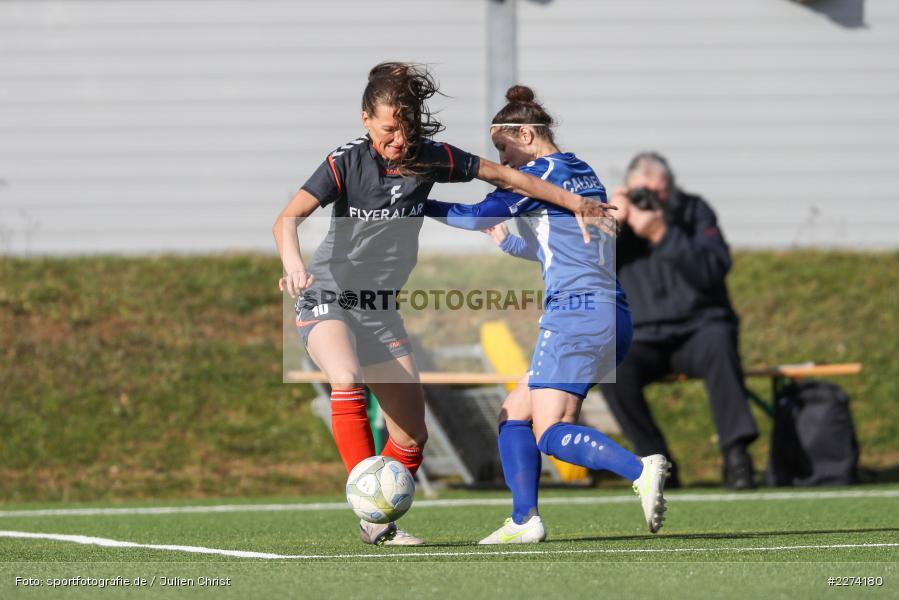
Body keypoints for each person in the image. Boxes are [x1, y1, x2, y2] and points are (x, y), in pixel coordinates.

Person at [271, 63, 615, 547]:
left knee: (412, 437)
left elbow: (509, 177)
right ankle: (367, 500)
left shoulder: (430, 158)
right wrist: (294, 265)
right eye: (388, 130)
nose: (399, 140)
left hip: (378, 308)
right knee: (345, 378)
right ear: (366, 120)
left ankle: (378, 523)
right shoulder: (344, 161)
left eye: (406, 129)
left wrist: (576, 204)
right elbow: (287, 219)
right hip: (328, 293)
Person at [425, 85, 671, 544]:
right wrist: (512, 243)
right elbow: (562, 247)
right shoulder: (581, 170)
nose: (503, 160)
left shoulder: (538, 175)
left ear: (526, 134)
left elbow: (474, 216)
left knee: (551, 431)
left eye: (503, 148)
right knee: (513, 414)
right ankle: (525, 520)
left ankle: (640, 468)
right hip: (610, 314)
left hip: (575, 315)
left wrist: (419, 205)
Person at [598, 152, 759, 490]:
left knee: (719, 344)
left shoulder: (694, 211)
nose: (650, 199)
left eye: (658, 192)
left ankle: (737, 457)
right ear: (627, 189)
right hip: (643, 337)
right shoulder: (613, 218)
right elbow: (587, 270)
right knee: (609, 365)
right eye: (641, 192)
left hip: (698, 329)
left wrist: (662, 233)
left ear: (670, 188)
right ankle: (657, 461)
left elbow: (713, 270)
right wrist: (609, 224)